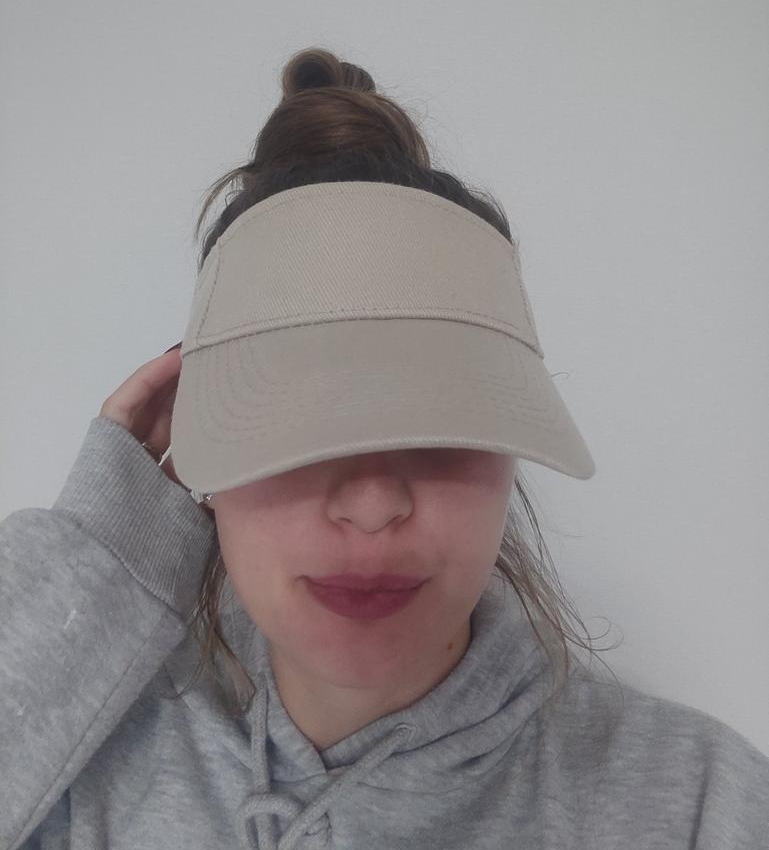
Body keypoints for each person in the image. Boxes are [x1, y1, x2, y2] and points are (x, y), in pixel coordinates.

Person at [2, 48, 767, 850]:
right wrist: (106, 551)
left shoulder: (698, 806)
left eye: (441, 418)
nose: (372, 505)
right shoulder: (73, 773)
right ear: (196, 442)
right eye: (294, 419)